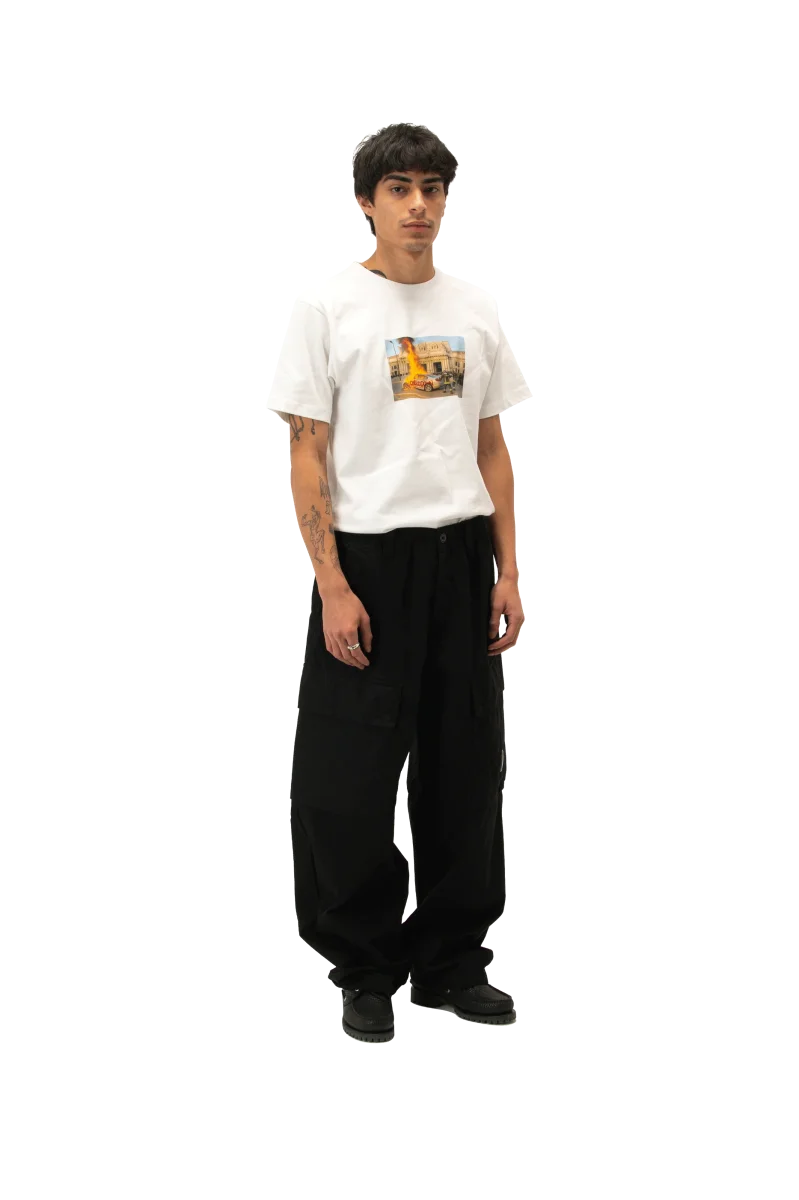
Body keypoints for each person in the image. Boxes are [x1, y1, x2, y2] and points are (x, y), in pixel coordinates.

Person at [266, 123, 530, 1042]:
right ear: (366, 202)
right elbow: (308, 454)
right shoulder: (325, 308)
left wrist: (508, 572)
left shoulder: (476, 309)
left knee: (465, 769)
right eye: (398, 189)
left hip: (460, 559)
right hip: (368, 561)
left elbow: (491, 448)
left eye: (431, 188)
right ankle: (364, 964)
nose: (418, 205)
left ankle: (452, 960)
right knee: (345, 779)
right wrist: (332, 584)